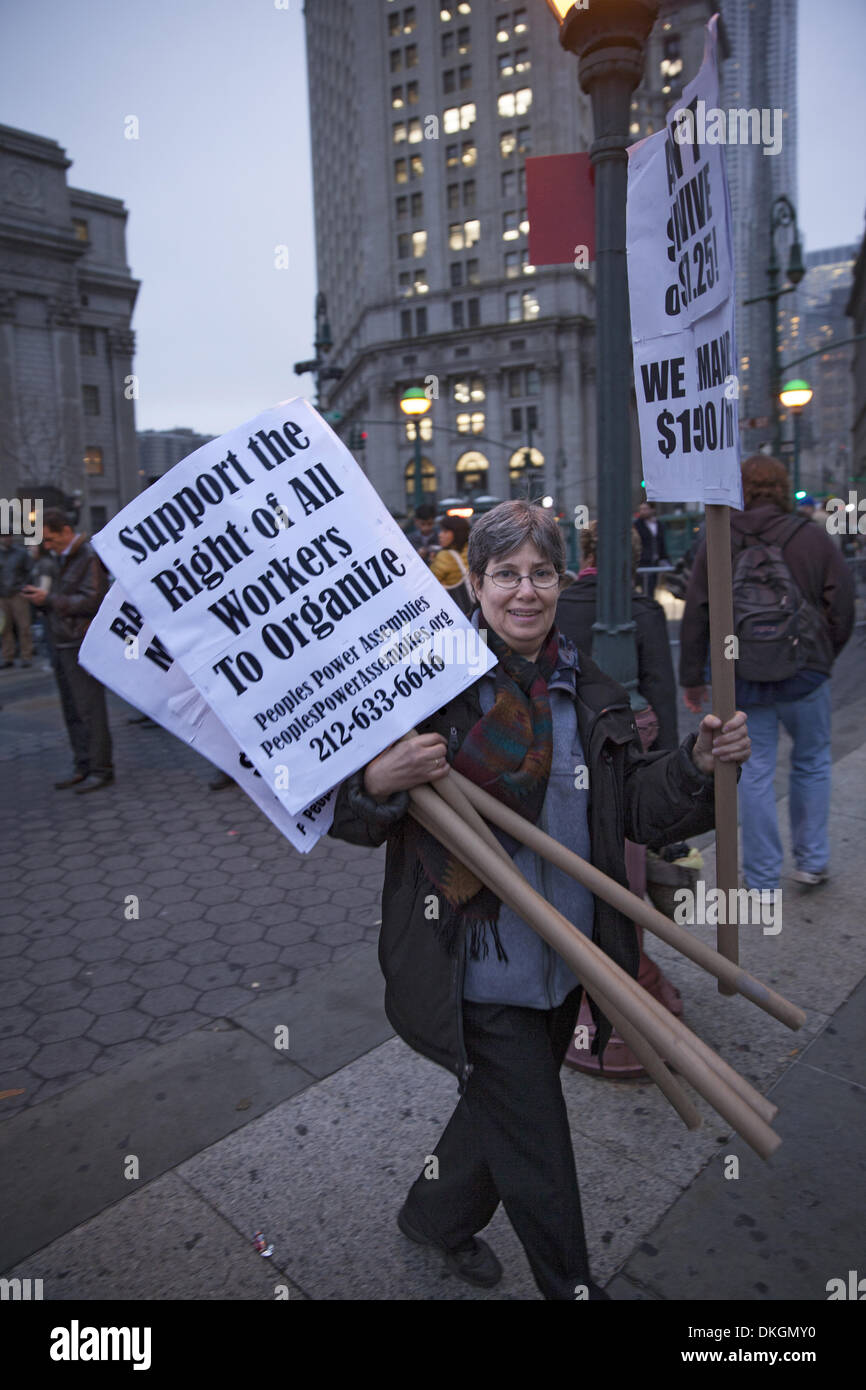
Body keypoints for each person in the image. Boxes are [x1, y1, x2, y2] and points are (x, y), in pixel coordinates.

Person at [328, 500, 750, 1300]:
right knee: (539, 1143)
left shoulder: (587, 689)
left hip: (571, 957)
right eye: (505, 575)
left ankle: (435, 1216)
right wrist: (377, 781)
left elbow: (631, 809)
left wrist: (695, 765)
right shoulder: (427, 687)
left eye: (542, 573)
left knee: (507, 1110)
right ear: (475, 582)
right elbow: (342, 813)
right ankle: (572, 1285)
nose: (526, 592)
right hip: (474, 969)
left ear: (563, 580)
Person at [679, 455, 854, 890]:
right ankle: (811, 860)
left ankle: (760, 877)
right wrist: (822, 654)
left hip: (743, 675)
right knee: (812, 762)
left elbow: (697, 610)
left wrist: (693, 677)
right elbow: (844, 604)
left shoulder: (717, 538)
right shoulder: (812, 537)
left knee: (754, 773)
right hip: (806, 675)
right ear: (782, 487)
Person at [557, 522, 678, 752]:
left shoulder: (558, 608)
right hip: (631, 742)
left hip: (571, 739)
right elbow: (660, 691)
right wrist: (667, 759)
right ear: (633, 561)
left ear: (587, 557)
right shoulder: (646, 611)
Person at [21, 508, 115, 793]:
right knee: (72, 710)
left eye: (50, 539)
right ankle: (83, 764)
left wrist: (50, 599)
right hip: (60, 639)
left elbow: (91, 601)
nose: (47, 545)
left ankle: (101, 768)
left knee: (89, 708)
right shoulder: (54, 559)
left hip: (79, 641)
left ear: (65, 531)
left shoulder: (87, 557)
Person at [0, 532, 34, 668]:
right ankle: (8, 656)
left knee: (24, 626)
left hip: (18, 594)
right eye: (3, 536)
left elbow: (30, 570)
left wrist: (23, 587)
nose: (7, 538)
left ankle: (27, 655)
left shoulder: (20, 553)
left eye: (8, 535)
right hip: (2, 595)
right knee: (4, 627)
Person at [429, 514, 472, 613]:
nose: (440, 535)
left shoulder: (444, 556)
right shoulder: (472, 550)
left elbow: (431, 585)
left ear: (457, 533)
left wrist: (432, 562)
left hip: (458, 613)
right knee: (482, 630)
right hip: (477, 613)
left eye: (445, 531)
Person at [633, 499, 669, 597]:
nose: (643, 512)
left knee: (650, 591)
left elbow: (661, 544)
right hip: (641, 563)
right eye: (641, 509)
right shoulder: (636, 525)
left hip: (654, 562)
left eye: (645, 509)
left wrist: (664, 559)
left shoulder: (659, 525)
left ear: (653, 510)